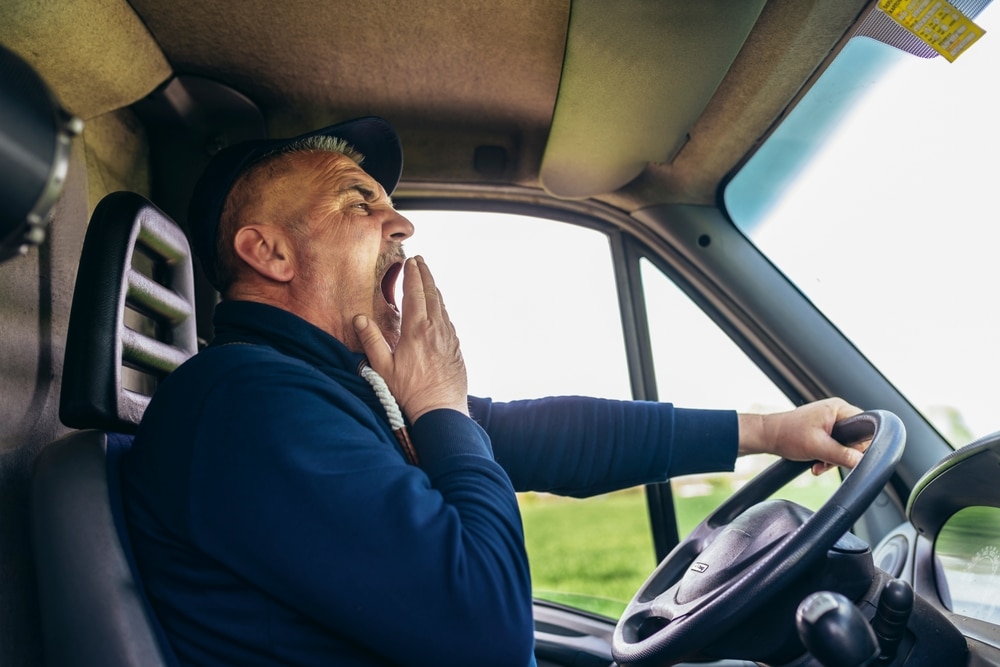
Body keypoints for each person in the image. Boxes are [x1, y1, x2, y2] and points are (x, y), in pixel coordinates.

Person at [121, 116, 867, 667]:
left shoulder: (330, 391)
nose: (402, 222)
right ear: (269, 251)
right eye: (359, 201)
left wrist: (771, 430)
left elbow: (543, 435)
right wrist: (438, 401)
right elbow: (489, 637)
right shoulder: (250, 405)